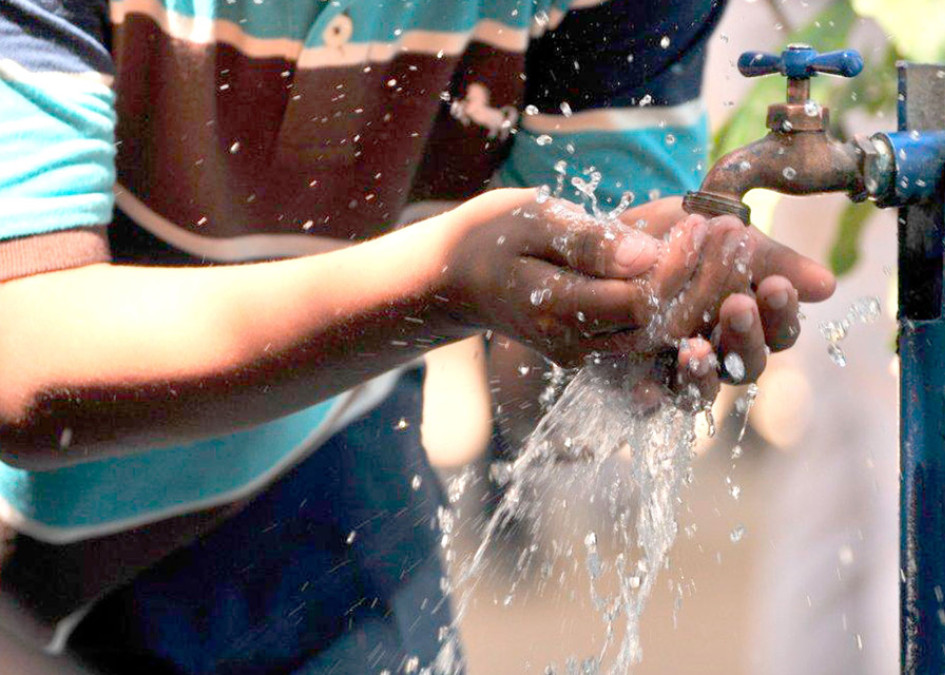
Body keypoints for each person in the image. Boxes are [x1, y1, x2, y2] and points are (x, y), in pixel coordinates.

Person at [0, 0, 835, 672]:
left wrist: (642, 306)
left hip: (309, 491)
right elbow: (21, 347)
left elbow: (579, 314)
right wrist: (436, 286)